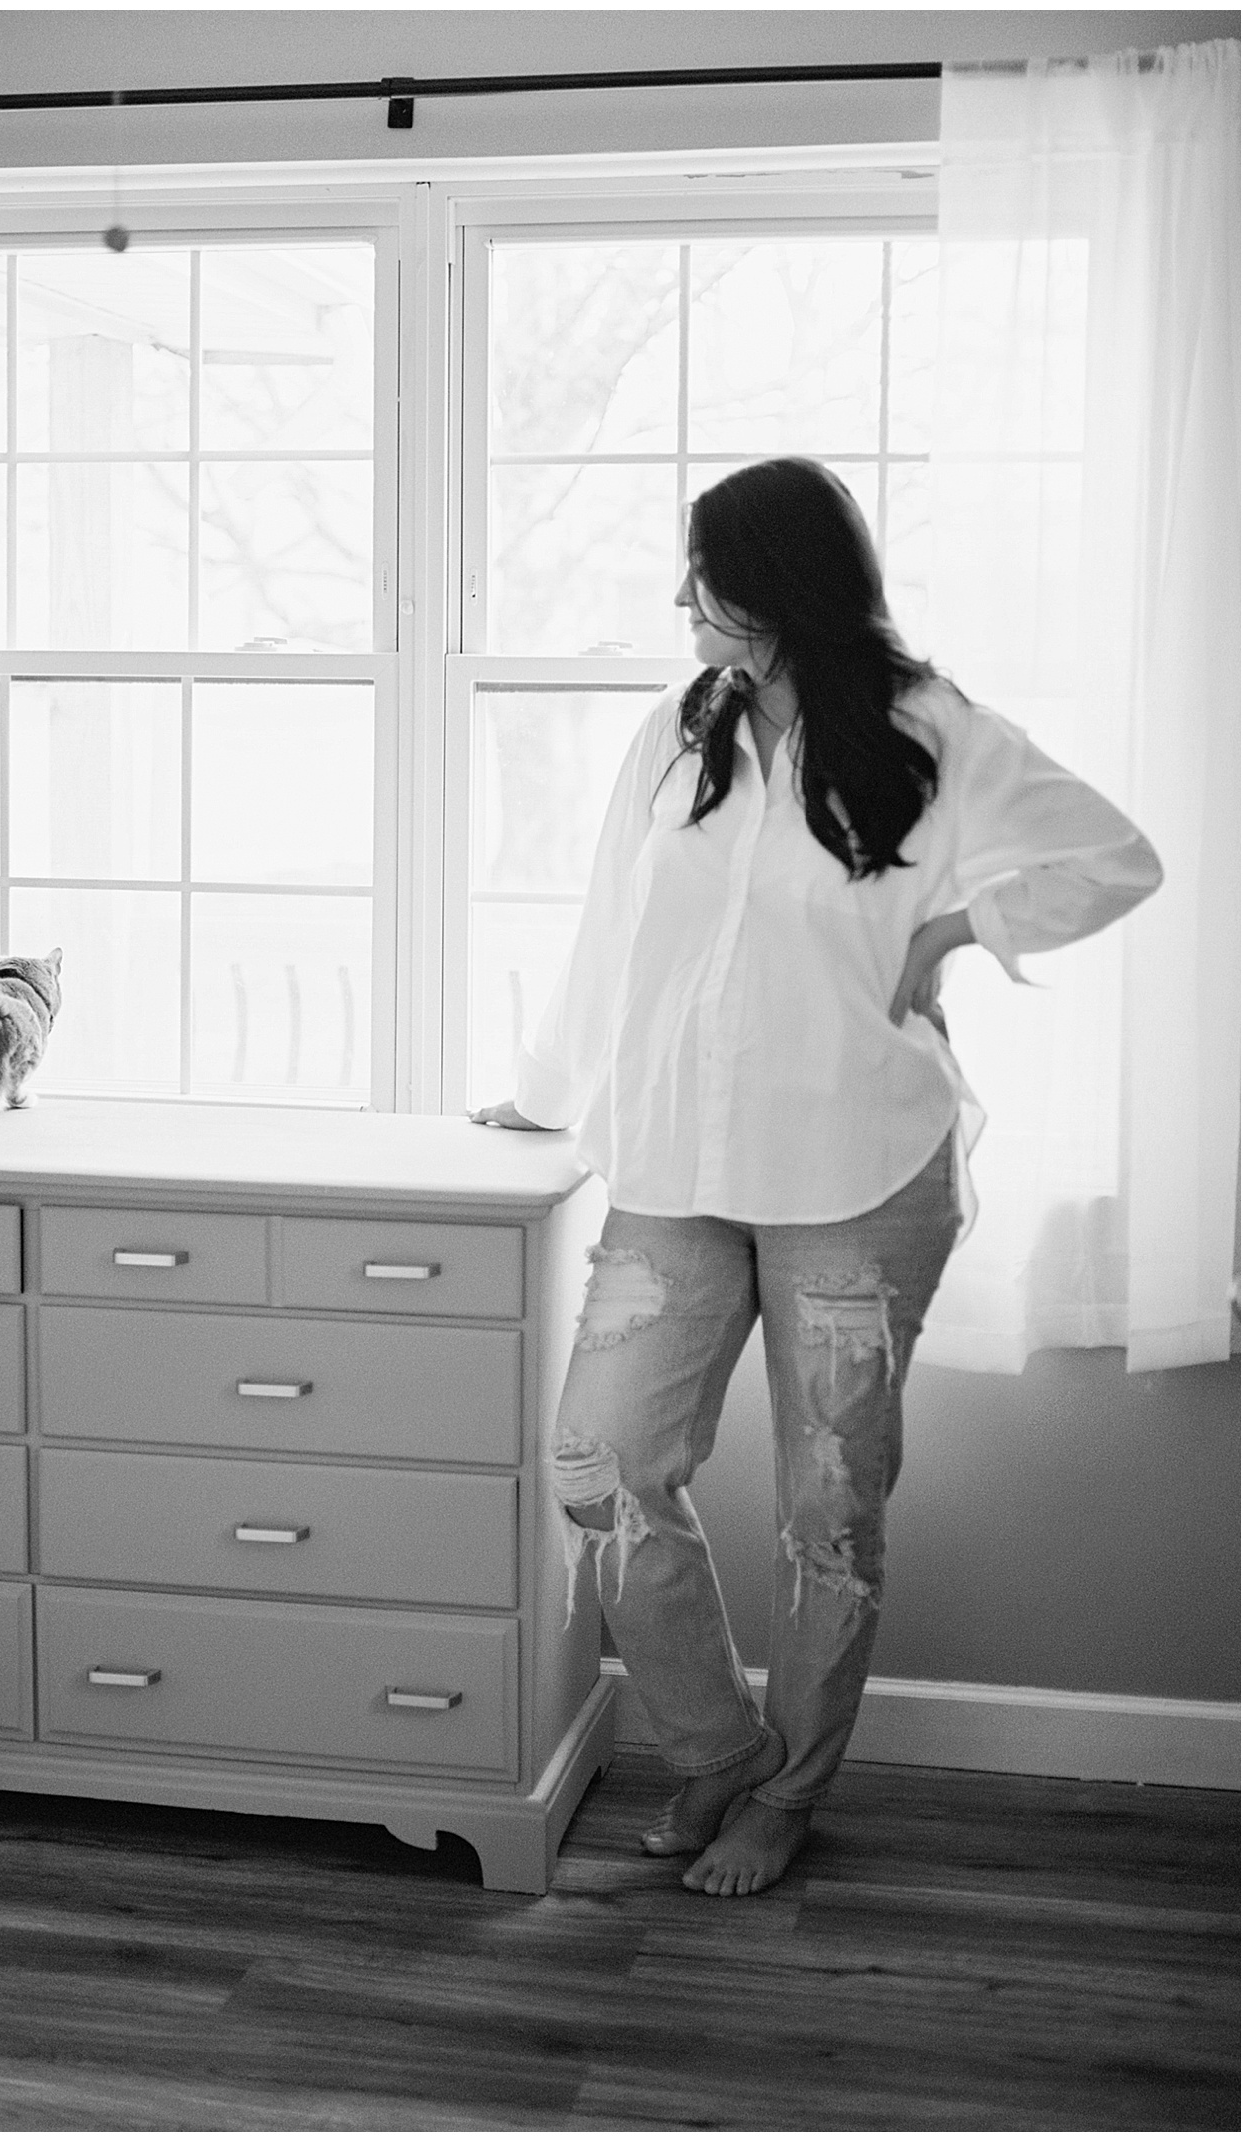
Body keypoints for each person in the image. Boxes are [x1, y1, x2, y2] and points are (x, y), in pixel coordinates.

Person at [472, 457, 1163, 1899]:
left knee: (826, 1511)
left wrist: (960, 925)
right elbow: (610, 927)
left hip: (859, 1175)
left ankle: (788, 1790)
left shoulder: (928, 728)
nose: (679, 600)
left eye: (705, 573)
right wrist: (543, 1100)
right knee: (600, 1457)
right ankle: (714, 1747)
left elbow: (1116, 857)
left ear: (781, 582)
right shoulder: (676, 730)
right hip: (679, 1168)